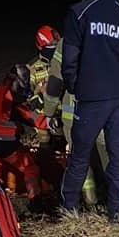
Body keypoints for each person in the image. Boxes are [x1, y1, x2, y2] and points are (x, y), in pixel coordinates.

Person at [59, 0, 119, 224]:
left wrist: (75, 85)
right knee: (117, 152)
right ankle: (115, 212)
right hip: (118, 99)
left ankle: (69, 208)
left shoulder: (79, 12)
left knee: (79, 154)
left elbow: (70, 56)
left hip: (91, 98)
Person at [41, 34, 107, 209]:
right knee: (110, 154)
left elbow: (55, 80)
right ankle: (118, 199)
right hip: (107, 108)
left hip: (76, 111)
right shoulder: (114, 34)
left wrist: (49, 112)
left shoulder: (69, 41)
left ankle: (91, 202)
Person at [0, 63, 42, 210]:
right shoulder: (15, 101)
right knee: (30, 167)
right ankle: (35, 201)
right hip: (7, 147)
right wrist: (53, 121)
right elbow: (37, 120)